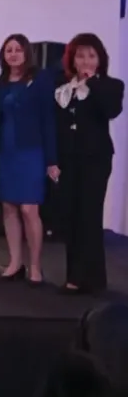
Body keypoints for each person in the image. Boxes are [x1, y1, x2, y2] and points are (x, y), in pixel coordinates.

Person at [54, 33, 124, 295]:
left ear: (100, 59)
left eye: (91, 56)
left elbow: (111, 110)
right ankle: (76, 274)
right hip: (68, 160)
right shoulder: (64, 89)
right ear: (72, 59)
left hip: (95, 159)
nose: (85, 61)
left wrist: (92, 82)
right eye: (80, 55)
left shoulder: (110, 85)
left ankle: (88, 278)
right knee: (71, 216)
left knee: (89, 215)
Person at [0, 34, 58, 285]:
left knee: (29, 209)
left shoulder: (40, 80)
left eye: (18, 49)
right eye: (9, 50)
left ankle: (35, 266)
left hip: (30, 152)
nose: (13, 54)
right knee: (9, 207)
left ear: (26, 53)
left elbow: (48, 120)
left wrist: (52, 160)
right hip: (4, 152)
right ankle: (15, 262)